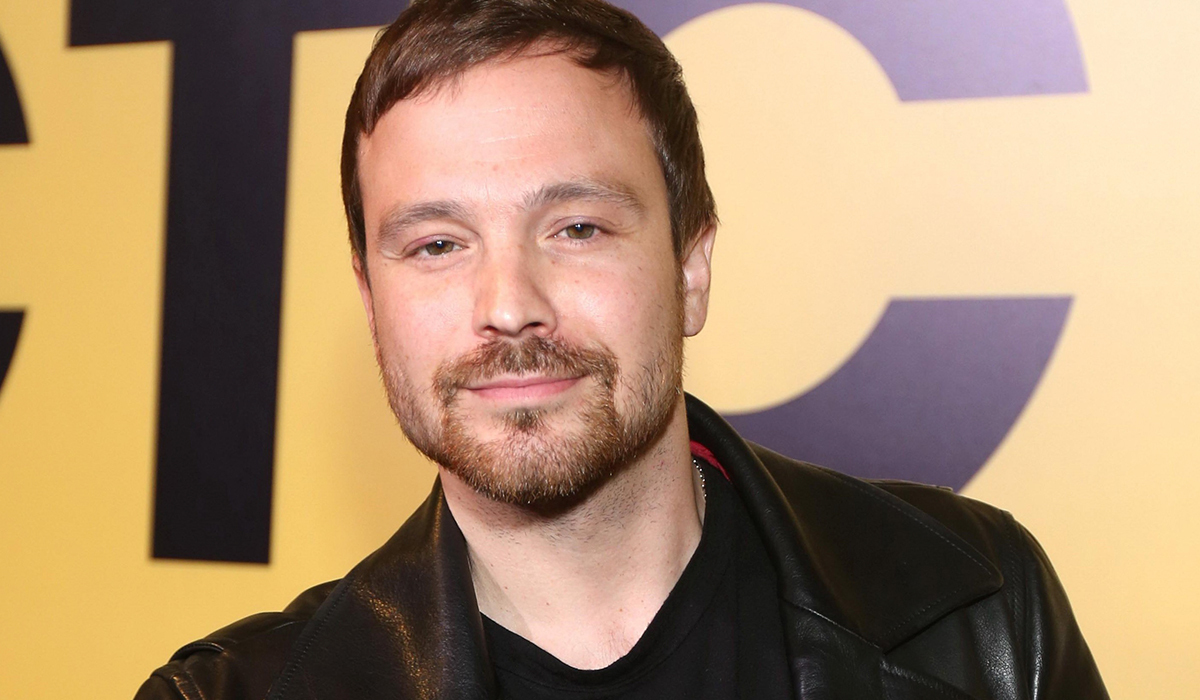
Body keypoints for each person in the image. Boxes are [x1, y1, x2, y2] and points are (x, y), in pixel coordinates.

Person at [135, 1, 1108, 698]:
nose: (508, 306)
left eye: (577, 228)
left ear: (691, 266)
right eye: (436, 245)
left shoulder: (980, 610)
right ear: (370, 298)